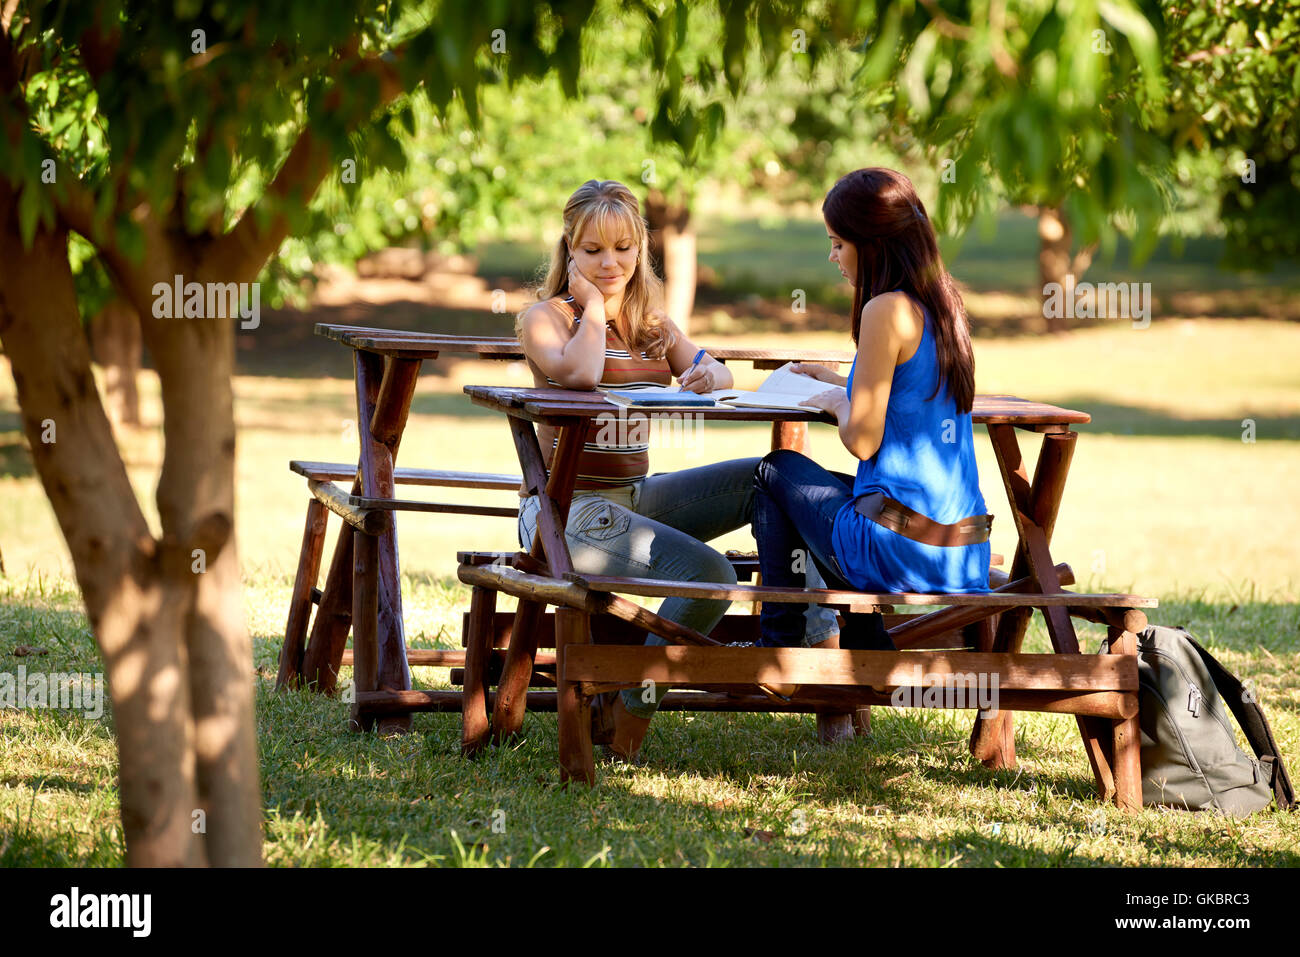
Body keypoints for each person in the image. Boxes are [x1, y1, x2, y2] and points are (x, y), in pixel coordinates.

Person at [515, 179, 837, 761]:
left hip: (636, 498)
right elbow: (581, 375)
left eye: (623, 248)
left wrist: (708, 376)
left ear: (641, 249)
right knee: (713, 574)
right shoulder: (546, 318)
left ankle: (810, 640)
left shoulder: (651, 324)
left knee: (776, 475)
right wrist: (592, 306)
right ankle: (632, 711)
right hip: (567, 513)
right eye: (592, 251)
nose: (610, 263)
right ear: (569, 250)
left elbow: (719, 375)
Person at [751, 168, 992, 650]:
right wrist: (842, 382)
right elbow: (909, 397)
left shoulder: (883, 309)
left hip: (899, 550)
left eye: (839, 243)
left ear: (872, 242)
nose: (833, 256)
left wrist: (840, 401)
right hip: (963, 549)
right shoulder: (944, 306)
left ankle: (778, 645)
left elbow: (862, 439)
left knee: (774, 472)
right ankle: (865, 640)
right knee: (835, 492)